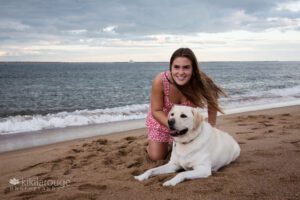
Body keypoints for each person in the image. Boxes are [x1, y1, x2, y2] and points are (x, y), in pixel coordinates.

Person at [146, 47, 226, 161]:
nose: (181, 72)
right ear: (171, 67)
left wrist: (211, 127)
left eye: (186, 67)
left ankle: (173, 143)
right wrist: (173, 126)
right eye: (176, 67)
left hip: (186, 124)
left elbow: (213, 102)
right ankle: (154, 144)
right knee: (156, 157)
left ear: (193, 69)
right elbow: (156, 111)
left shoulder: (200, 81)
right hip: (162, 121)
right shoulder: (161, 81)